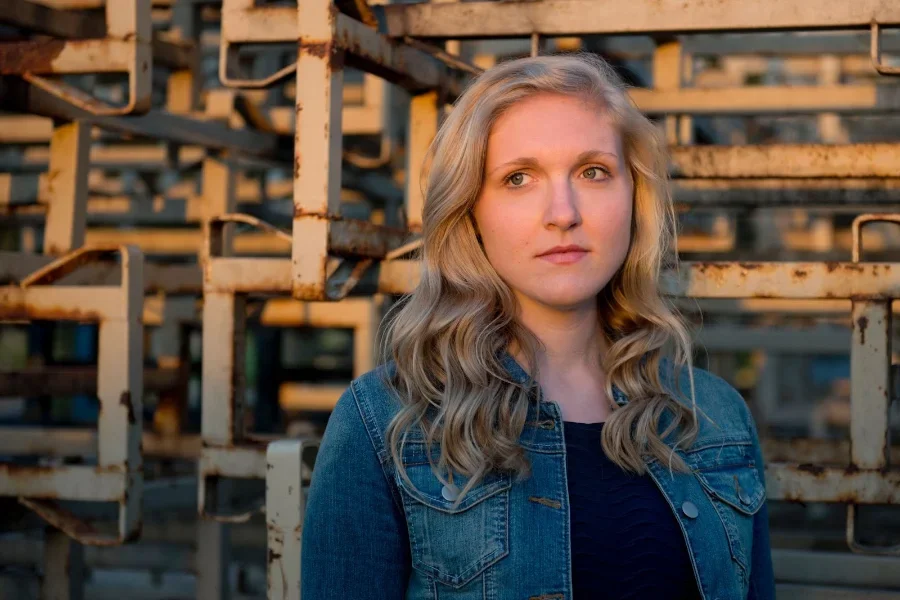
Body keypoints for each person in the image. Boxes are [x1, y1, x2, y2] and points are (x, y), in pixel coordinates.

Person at [301, 52, 775, 600]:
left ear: (633, 198)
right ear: (471, 211)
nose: (563, 212)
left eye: (593, 172)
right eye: (519, 178)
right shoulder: (384, 422)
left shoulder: (716, 416)